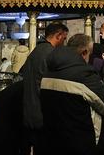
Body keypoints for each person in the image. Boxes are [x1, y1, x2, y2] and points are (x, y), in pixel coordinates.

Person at [40, 34, 104, 155]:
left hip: (52, 141)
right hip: (80, 142)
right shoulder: (85, 76)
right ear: (84, 52)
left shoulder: (48, 71)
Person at [21, 22, 68, 151]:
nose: (64, 42)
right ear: (58, 36)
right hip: (44, 116)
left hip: (29, 113)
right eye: (64, 38)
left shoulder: (35, 51)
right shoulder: (52, 54)